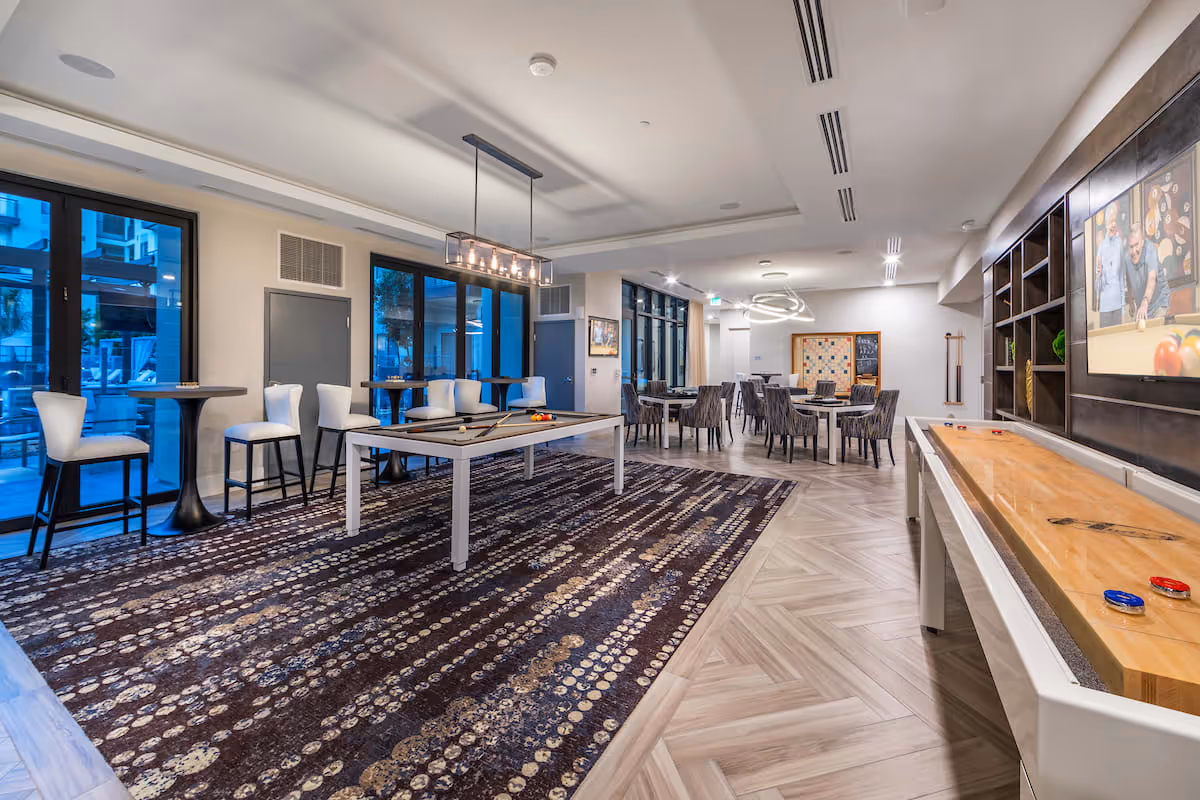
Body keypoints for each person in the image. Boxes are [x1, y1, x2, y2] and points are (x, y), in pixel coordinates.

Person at [1125, 223, 1169, 321]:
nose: (1133, 251)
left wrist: (1144, 303)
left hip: (1159, 302)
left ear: (1142, 242)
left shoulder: (1150, 249)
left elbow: (1152, 278)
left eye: (1136, 245)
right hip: (1143, 306)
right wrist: (1131, 301)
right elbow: (1128, 279)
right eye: (1131, 246)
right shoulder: (1127, 257)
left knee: (1155, 333)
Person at [1096, 201, 1126, 327]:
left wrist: (1123, 309)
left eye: (1115, 221)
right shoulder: (1101, 248)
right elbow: (1099, 287)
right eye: (1110, 221)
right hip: (1105, 309)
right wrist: (1099, 276)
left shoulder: (1119, 243)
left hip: (1118, 307)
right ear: (1106, 223)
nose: (1113, 224)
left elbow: (1121, 277)